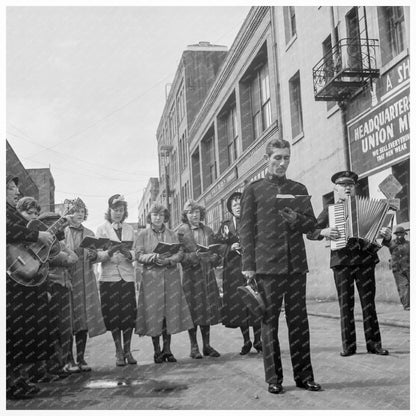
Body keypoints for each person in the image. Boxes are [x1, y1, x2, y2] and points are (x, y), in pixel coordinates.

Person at [239, 138, 321, 394]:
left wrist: (298, 218)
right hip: (267, 267)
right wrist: (248, 265)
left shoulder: (298, 188)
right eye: (277, 158)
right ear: (267, 159)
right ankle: (274, 379)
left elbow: (312, 225)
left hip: (295, 265)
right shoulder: (253, 190)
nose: (282, 163)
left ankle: (304, 376)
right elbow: (246, 230)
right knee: (269, 323)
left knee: (299, 322)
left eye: (286, 158)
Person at [307, 170, 391, 357]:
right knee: (346, 305)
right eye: (343, 185)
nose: (347, 188)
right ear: (335, 188)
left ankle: (374, 345)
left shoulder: (370, 207)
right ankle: (349, 346)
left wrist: (387, 235)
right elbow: (311, 231)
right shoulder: (330, 210)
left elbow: (380, 235)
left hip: (365, 261)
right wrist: (325, 231)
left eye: (350, 185)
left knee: (369, 304)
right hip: (341, 262)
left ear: (354, 188)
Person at [6, 177, 54, 399]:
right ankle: (10, 383)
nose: (16, 191)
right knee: (12, 332)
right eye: (9, 187)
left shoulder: (10, 211)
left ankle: (19, 379)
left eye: (15, 186)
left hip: (21, 279)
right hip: (10, 279)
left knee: (21, 333)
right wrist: (36, 235)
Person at [135, 203, 194, 363]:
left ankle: (167, 349)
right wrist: (153, 257)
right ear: (150, 217)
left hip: (170, 277)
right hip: (152, 279)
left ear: (165, 217)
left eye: (161, 215)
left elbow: (180, 252)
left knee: (169, 313)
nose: (158, 217)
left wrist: (169, 260)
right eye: (155, 215)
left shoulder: (172, 234)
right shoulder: (142, 234)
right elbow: (138, 255)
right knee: (154, 314)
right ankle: (157, 351)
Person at [215, 192, 262, 355]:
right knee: (241, 304)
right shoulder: (226, 226)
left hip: (253, 266)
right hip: (234, 270)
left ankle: (258, 340)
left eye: (240, 204)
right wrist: (230, 247)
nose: (238, 207)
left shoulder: (253, 221)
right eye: (235, 205)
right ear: (230, 208)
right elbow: (217, 245)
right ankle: (246, 341)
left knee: (255, 301)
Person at [65, 198, 106, 372]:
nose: (79, 214)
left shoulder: (89, 232)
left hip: (86, 279)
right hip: (69, 278)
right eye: (75, 211)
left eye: (82, 211)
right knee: (68, 319)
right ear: (68, 213)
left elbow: (96, 256)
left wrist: (93, 254)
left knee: (83, 319)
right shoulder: (64, 231)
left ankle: (81, 358)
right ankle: (69, 359)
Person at [177, 199, 222, 359]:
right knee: (193, 310)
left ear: (201, 213)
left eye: (196, 212)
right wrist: (193, 256)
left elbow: (216, 250)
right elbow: (179, 256)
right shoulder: (180, 232)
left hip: (207, 273)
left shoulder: (208, 230)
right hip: (190, 276)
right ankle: (194, 346)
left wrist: (216, 256)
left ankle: (207, 345)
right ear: (185, 215)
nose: (194, 215)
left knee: (207, 309)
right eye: (190, 212)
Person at [96, 194, 137, 366]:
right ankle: (118, 351)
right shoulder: (101, 229)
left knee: (127, 316)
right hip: (109, 279)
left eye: (121, 210)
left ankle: (128, 350)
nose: (118, 213)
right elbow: (96, 256)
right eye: (115, 210)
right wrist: (109, 252)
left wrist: (130, 254)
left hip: (126, 277)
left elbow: (137, 252)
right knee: (114, 316)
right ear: (109, 211)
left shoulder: (129, 229)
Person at [37, 212, 79, 377]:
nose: (60, 229)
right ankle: (55, 365)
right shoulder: (48, 247)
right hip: (53, 286)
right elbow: (70, 259)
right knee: (55, 328)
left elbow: (71, 258)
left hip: (63, 285)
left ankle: (62, 363)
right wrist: (66, 248)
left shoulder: (55, 243)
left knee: (65, 329)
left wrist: (63, 246)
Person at [385, 226, 410, 310]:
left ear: (404, 234)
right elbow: (383, 241)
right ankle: (406, 305)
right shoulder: (391, 243)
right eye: (397, 233)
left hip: (408, 267)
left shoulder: (409, 244)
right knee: (403, 286)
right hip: (397, 269)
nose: (399, 235)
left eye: (401, 233)